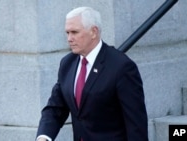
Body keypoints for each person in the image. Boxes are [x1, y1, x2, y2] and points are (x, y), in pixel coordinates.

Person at [36, 7, 148, 141]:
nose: (69, 39)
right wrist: (43, 137)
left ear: (93, 32)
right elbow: (55, 108)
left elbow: (136, 123)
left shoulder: (121, 66)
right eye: (67, 33)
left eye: (74, 32)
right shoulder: (67, 63)